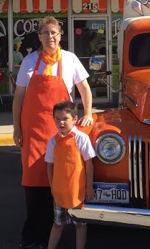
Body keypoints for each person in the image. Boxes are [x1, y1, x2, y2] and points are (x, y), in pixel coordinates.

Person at [12, 16, 94, 249]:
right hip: (34, 131)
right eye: (46, 33)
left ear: (60, 36)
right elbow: (19, 97)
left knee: (59, 181)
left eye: (54, 33)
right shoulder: (29, 61)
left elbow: (84, 88)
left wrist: (87, 113)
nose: (50, 37)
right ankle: (31, 237)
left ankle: (54, 232)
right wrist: (17, 127)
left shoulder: (70, 59)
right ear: (39, 37)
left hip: (60, 132)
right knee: (32, 183)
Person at [45, 101, 96, 249]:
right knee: (58, 224)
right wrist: (52, 187)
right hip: (59, 191)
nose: (61, 122)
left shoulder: (81, 138)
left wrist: (89, 187)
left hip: (77, 191)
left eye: (65, 118)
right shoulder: (53, 141)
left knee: (80, 225)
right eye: (57, 119)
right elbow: (49, 165)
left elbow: (89, 164)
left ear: (74, 119)